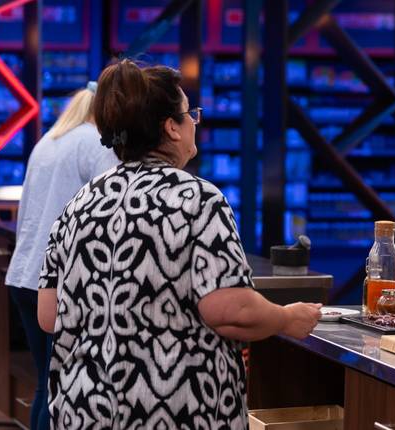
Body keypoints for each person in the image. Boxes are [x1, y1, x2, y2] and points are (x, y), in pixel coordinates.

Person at [37, 60, 322, 429]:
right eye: (190, 114)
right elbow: (230, 309)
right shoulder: (198, 200)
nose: (194, 124)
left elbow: (49, 314)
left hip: (84, 410)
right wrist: (286, 318)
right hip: (175, 410)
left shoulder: (79, 204)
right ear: (171, 127)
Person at [5, 81, 119, 430]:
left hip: (24, 274)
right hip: (59, 281)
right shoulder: (96, 144)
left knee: (46, 383)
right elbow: (113, 209)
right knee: (60, 389)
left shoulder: (48, 142)